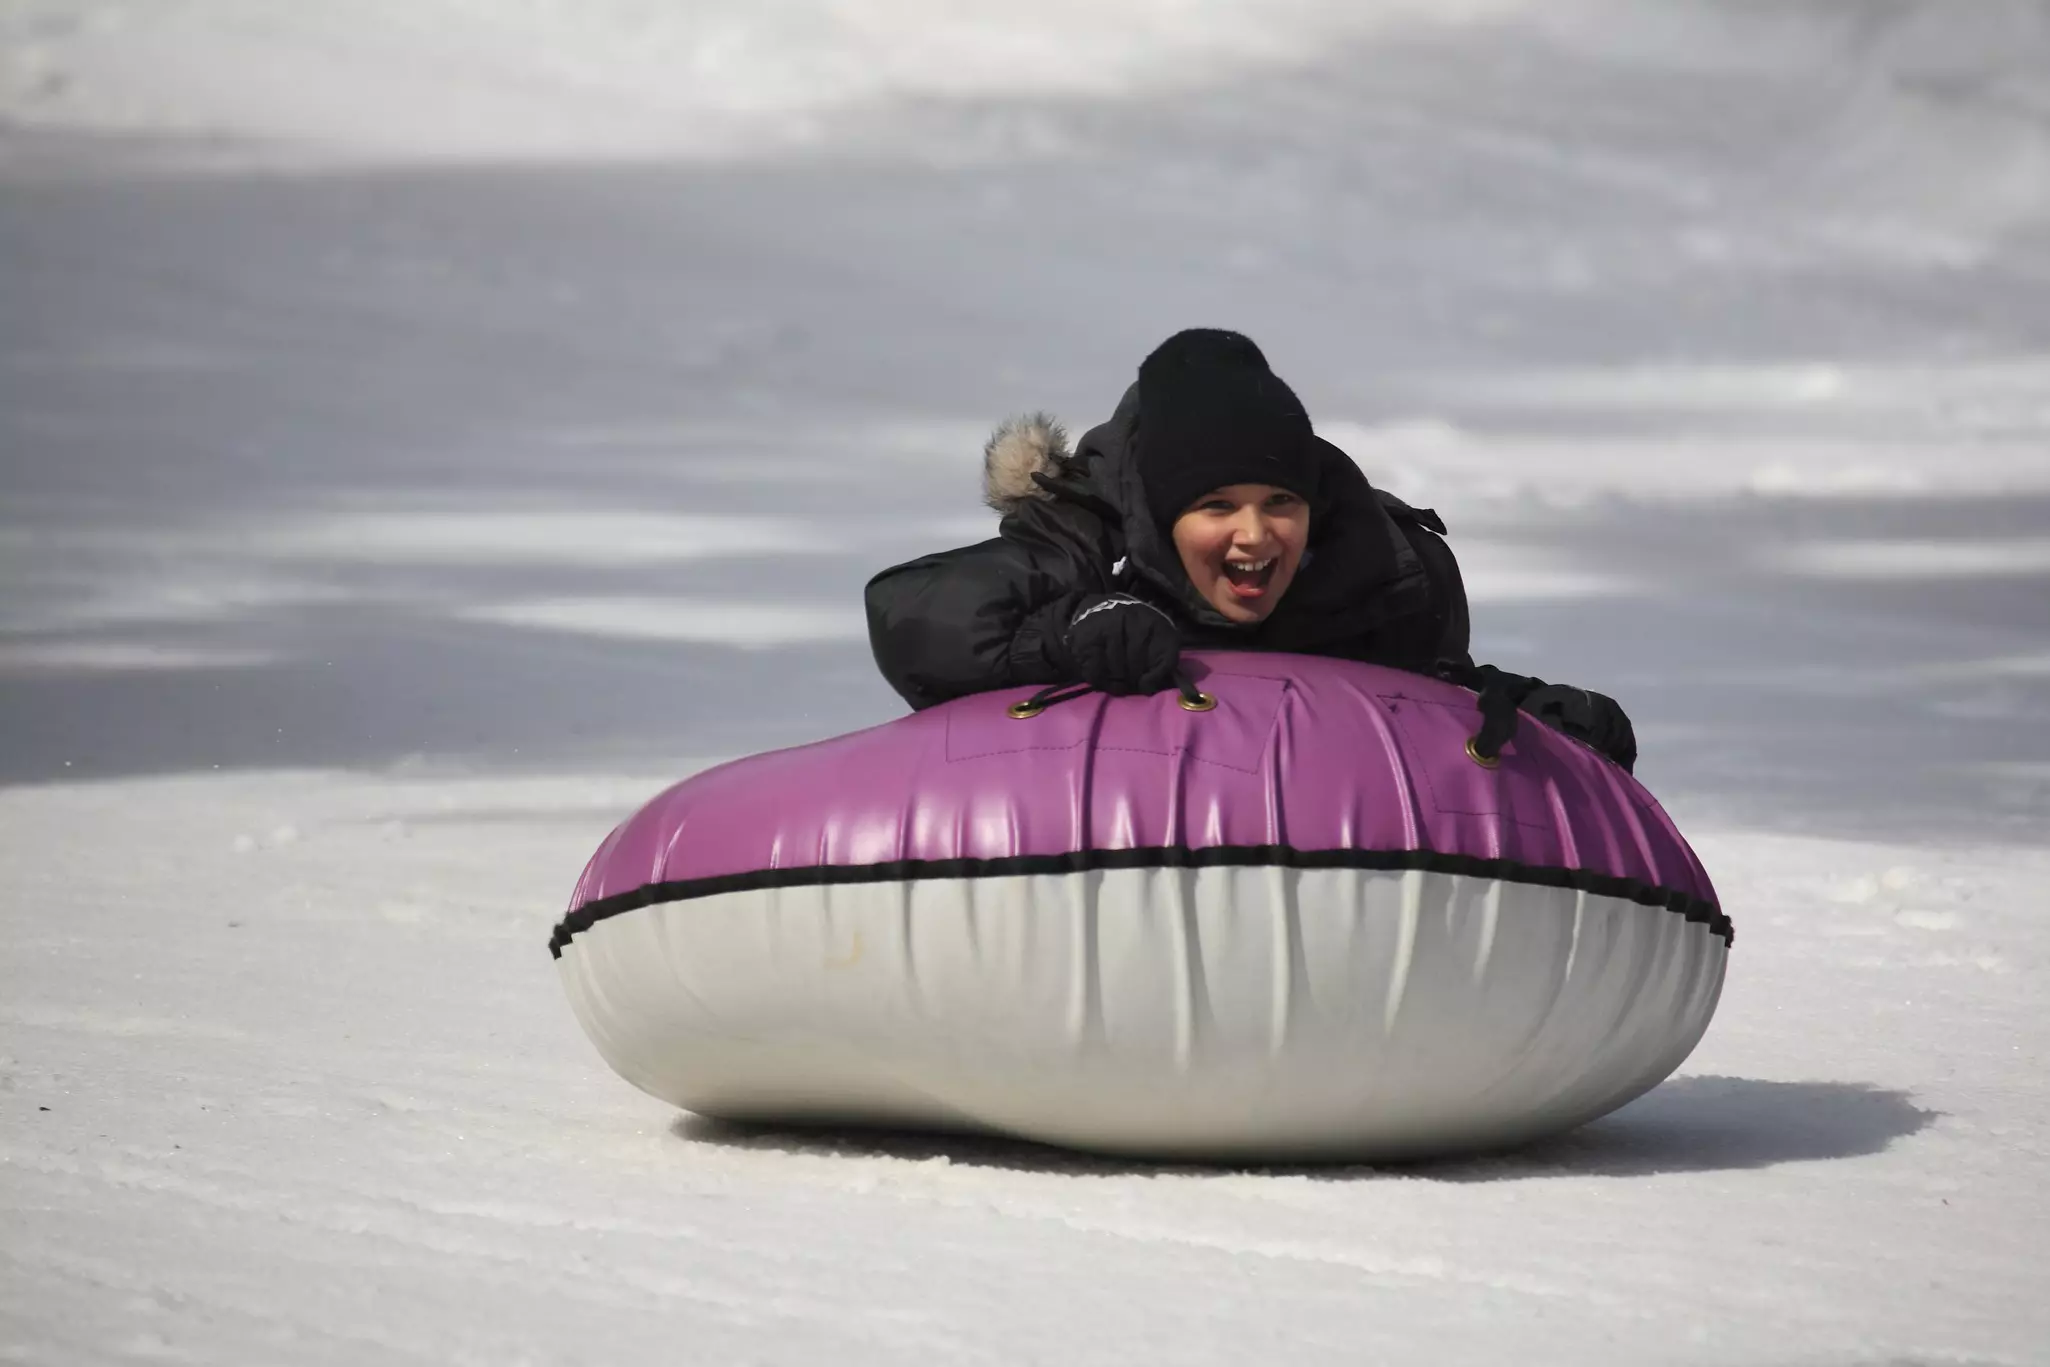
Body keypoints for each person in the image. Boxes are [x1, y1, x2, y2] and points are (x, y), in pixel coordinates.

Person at [864, 328, 1637, 770]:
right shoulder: (1091, 533)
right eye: (1215, 507)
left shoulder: (1381, 568)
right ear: (1162, 513)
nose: (1255, 535)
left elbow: (1422, 696)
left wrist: (1535, 722)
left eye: (1280, 504)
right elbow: (919, 614)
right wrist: (1070, 628)